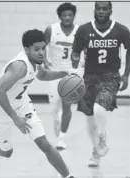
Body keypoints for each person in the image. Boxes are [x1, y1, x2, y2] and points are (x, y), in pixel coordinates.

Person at [0, 29, 74, 178]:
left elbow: (43, 75)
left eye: (43, 48)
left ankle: (68, 176)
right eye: (36, 49)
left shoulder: (36, 61)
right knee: (6, 152)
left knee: (44, 144)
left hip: (22, 104)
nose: (41, 53)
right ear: (26, 50)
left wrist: (63, 73)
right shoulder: (20, 67)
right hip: (1, 108)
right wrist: (15, 118)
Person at [71, 1, 130, 167]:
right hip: (89, 78)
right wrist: (75, 63)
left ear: (110, 11)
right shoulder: (84, 30)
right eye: (98, 8)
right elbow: (75, 51)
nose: (101, 11)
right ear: (94, 10)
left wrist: (126, 74)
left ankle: (102, 137)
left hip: (110, 77)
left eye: (104, 8)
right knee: (89, 119)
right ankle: (95, 151)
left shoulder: (121, 30)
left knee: (99, 110)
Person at [44, 2, 83, 150]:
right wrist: (44, 61)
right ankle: (58, 122)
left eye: (70, 15)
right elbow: (42, 46)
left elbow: (85, 50)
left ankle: (61, 138)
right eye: (65, 15)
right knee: (55, 110)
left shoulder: (80, 31)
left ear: (73, 16)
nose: (67, 17)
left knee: (67, 106)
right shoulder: (51, 30)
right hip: (54, 72)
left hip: (73, 73)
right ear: (60, 16)